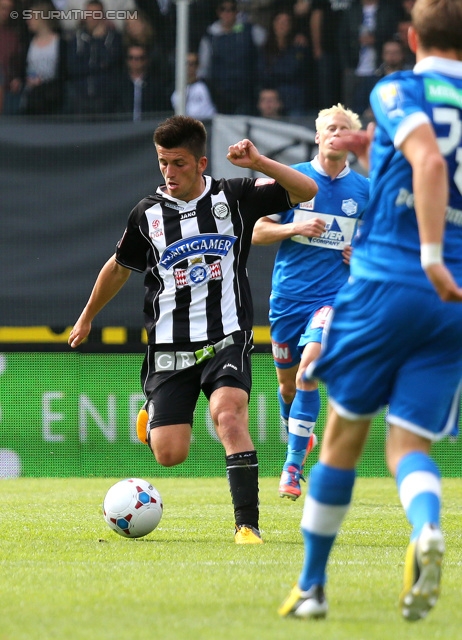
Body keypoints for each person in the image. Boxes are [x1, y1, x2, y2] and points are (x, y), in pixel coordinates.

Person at [279, 0, 462, 621]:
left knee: (344, 435)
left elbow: (430, 160)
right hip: (452, 302)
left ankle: (311, 587)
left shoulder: (398, 87)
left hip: (388, 282)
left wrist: (430, 252)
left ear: (411, 37)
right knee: (408, 441)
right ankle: (427, 526)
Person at [68, 115, 319, 544]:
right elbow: (119, 268)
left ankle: (247, 526)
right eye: (163, 162)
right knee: (170, 454)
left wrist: (258, 162)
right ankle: (152, 423)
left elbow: (306, 190)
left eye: (178, 163)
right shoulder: (146, 214)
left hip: (227, 336)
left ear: (201, 163)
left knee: (229, 416)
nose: (169, 172)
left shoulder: (234, 197)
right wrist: (87, 315)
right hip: (169, 347)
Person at [252, 103, 369, 501]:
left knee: (309, 371)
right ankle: (300, 438)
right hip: (288, 298)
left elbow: (386, 244)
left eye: (343, 129)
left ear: (352, 142)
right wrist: (295, 226)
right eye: (329, 128)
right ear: (318, 137)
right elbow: (256, 231)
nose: (336, 133)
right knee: (288, 385)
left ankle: (291, 468)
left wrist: (365, 256)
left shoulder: (365, 192)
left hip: (334, 299)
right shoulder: (295, 180)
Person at [197, 0, 262, 115]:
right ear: (218, 12)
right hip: (220, 96)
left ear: (237, 12)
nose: (227, 13)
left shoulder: (250, 30)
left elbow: (268, 42)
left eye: (231, 9)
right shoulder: (209, 36)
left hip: (246, 94)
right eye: (223, 9)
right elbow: (204, 68)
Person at [65, 0, 124, 115]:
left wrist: (98, 40)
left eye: (96, 14)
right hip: (80, 97)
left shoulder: (114, 39)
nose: (92, 18)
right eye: (89, 13)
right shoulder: (75, 40)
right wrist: (99, 66)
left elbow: (111, 63)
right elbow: (73, 68)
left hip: (106, 98)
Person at [258, 9, 311, 116]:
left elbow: (293, 71)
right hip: (271, 102)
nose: (282, 25)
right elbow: (261, 73)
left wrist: (273, 73)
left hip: (293, 100)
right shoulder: (264, 49)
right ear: (273, 24)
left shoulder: (298, 47)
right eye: (279, 21)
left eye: (286, 22)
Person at [19, 2, 67, 115]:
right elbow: (22, 69)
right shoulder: (27, 43)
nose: (28, 21)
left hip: (53, 99)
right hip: (31, 98)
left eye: (31, 17)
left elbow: (64, 72)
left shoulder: (61, 43)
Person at [114, 44, 169, 119]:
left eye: (140, 58)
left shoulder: (156, 85)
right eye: (131, 58)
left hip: (148, 128)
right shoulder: (117, 84)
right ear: (127, 60)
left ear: (146, 60)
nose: (135, 61)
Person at [171, 51, 216, 119]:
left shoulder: (207, 87)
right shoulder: (174, 88)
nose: (188, 67)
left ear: (197, 66)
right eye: (186, 63)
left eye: (192, 64)